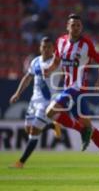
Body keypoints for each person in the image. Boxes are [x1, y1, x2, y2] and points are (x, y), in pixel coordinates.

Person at [43, 13, 99, 171]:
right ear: (67, 26)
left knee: (50, 112)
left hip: (78, 87)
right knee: (88, 126)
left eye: (78, 25)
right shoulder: (60, 41)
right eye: (73, 25)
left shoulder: (87, 44)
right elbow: (57, 60)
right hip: (67, 88)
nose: (76, 28)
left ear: (82, 27)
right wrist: (49, 69)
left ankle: (82, 130)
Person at [9, 37, 62, 168]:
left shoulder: (56, 62)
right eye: (44, 47)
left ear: (53, 49)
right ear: (40, 48)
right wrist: (17, 93)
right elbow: (27, 78)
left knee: (34, 131)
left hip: (47, 102)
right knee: (28, 129)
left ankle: (21, 162)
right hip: (34, 101)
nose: (46, 49)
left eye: (49, 47)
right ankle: (51, 126)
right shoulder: (35, 61)